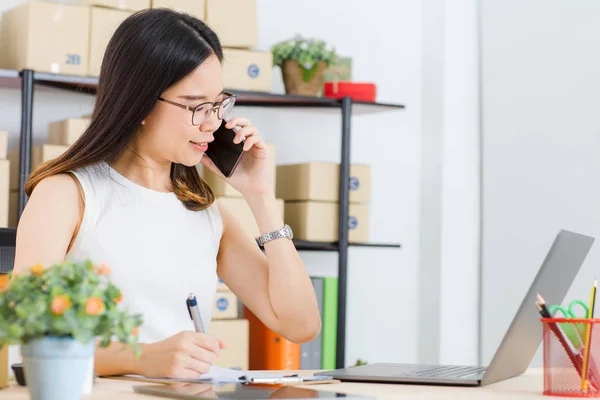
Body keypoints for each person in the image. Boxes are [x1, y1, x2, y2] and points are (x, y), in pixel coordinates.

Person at [12, 8, 321, 379]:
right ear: (140, 101)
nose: (212, 123)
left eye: (218, 104)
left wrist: (261, 197)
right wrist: (139, 357)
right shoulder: (67, 195)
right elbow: (27, 338)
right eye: (196, 106)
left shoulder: (207, 213)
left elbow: (300, 325)